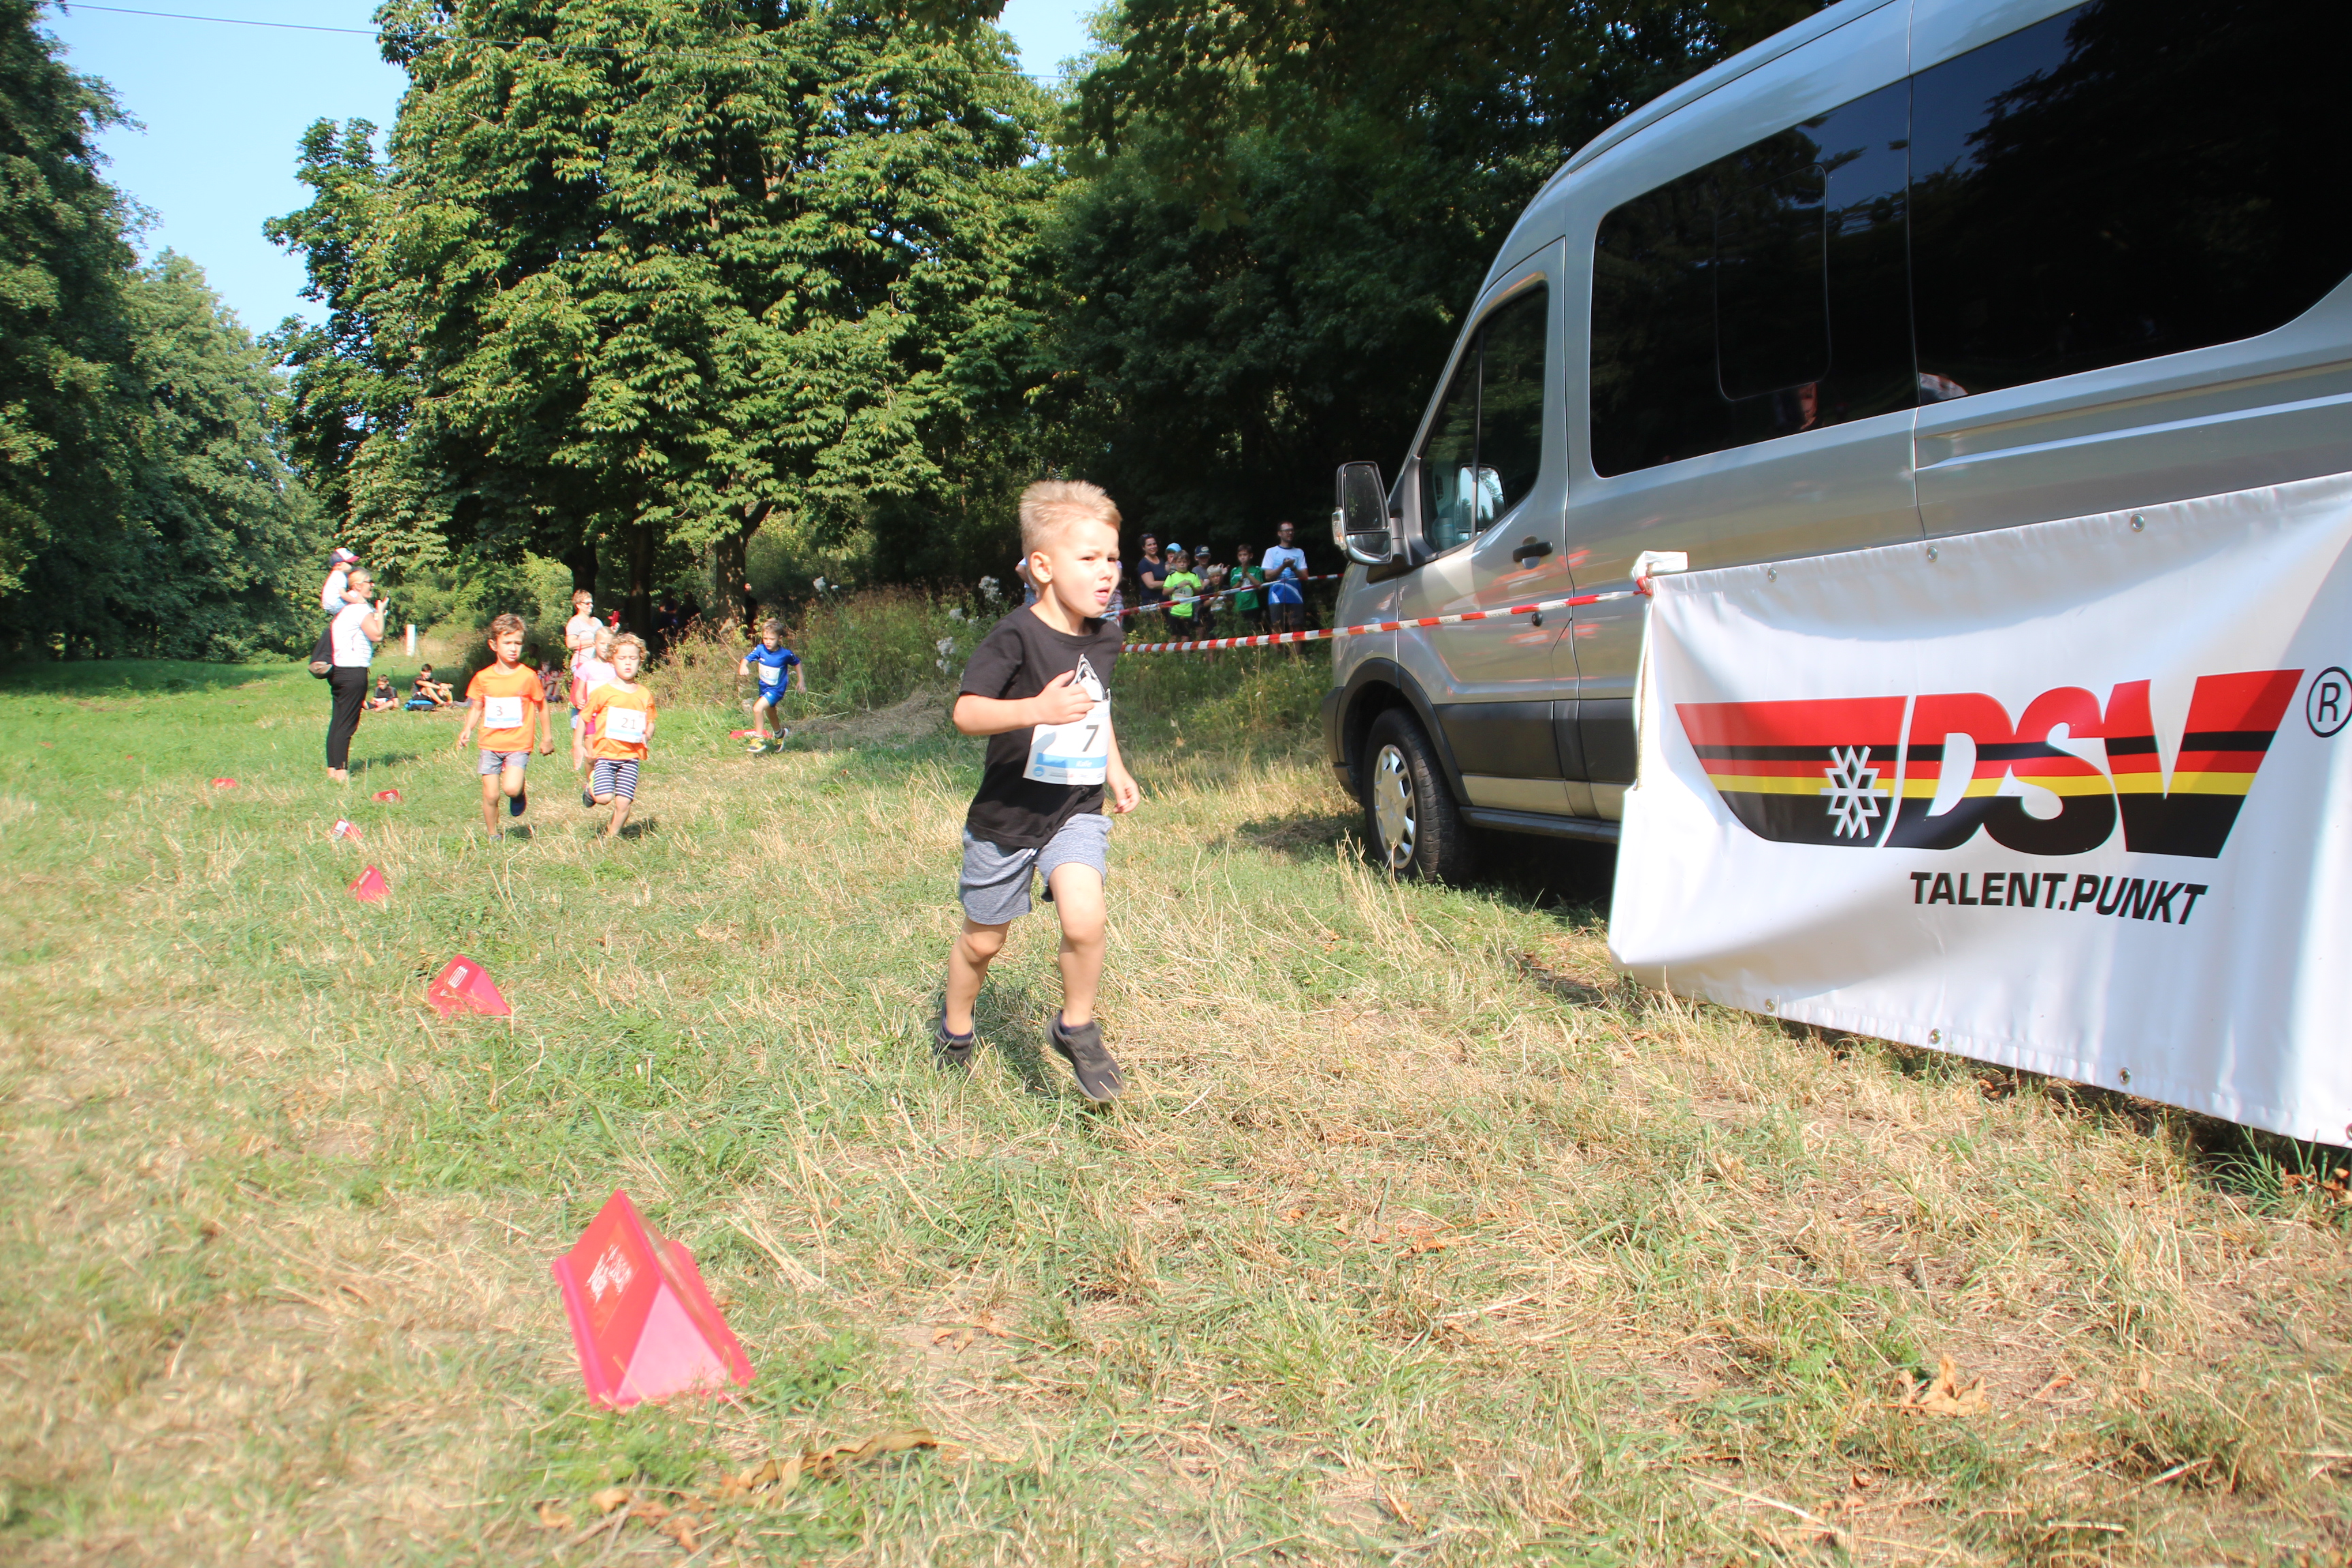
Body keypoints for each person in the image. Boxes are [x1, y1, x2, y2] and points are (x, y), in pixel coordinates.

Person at [938, 478, 1141, 1101]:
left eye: (1113, 558)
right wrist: (1037, 709)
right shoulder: (1015, 636)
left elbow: (1096, 706)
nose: (1107, 572)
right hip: (1007, 817)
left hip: (1074, 809)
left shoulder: (1106, 635)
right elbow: (966, 714)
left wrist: (1115, 768)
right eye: (1090, 558)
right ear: (1044, 567)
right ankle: (955, 1028)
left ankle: (1076, 1026)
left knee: (1086, 918)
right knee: (983, 942)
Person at [455, 612, 554, 831]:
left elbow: (542, 705)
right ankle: (493, 835)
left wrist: (547, 738)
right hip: (490, 744)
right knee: (491, 795)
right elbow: (477, 707)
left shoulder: (527, 676)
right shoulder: (483, 677)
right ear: (494, 645)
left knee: (510, 789)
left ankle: (518, 793)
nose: (513, 648)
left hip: (518, 744)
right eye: (507, 643)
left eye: (518, 643)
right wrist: (467, 729)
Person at [578, 632, 657, 838]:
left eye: (633, 658)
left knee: (624, 802)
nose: (628, 663)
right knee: (604, 798)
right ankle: (591, 787)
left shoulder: (644, 694)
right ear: (612, 661)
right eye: (622, 658)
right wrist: (578, 744)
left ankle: (610, 837)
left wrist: (647, 735)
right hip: (606, 755)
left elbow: (651, 722)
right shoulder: (602, 692)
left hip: (631, 757)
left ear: (640, 660)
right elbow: (584, 717)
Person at [323, 568, 385, 783]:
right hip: (354, 671)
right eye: (369, 581)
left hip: (339, 671)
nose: (372, 585)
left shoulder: (344, 611)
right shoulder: (360, 609)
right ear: (357, 586)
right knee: (348, 723)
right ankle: (342, 772)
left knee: (338, 720)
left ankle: (332, 769)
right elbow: (377, 635)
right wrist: (380, 612)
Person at [737, 619, 804, 751]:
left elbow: (797, 663)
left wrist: (801, 680)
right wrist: (743, 666)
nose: (768, 642)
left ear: (779, 639)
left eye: (772, 639)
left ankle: (758, 739)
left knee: (757, 708)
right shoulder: (760, 649)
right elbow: (746, 659)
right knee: (770, 712)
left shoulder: (785, 654)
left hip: (776, 690)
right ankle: (780, 734)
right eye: (765, 638)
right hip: (764, 688)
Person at [310, 547, 363, 676]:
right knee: (355, 595)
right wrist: (357, 601)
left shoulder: (335, 575)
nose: (352, 565)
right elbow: (343, 595)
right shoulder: (340, 575)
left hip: (330, 605)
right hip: (335, 604)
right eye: (349, 563)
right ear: (339, 565)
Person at [570, 627, 618, 768]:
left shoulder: (616, 667)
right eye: (602, 643)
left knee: (608, 751)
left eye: (609, 644)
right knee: (591, 754)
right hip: (591, 716)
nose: (605, 647)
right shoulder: (587, 667)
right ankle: (590, 780)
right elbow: (579, 690)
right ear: (594, 644)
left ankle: (606, 775)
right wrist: (579, 699)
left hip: (610, 716)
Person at [1264, 520, 1310, 644]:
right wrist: (1284, 566)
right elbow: (1268, 576)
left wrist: (1293, 567)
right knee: (1277, 626)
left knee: (1297, 627)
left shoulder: (1299, 552)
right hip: (1276, 594)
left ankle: (1298, 655)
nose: (1290, 533)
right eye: (1287, 531)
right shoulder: (1271, 552)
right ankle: (1276, 655)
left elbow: (1305, 576)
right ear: (1280, 533)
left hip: (1295, 593)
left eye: (1292, 530)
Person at [1160, 547, 1203, 639]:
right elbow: (1165, 592)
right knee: (1173, 637)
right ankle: (1170, 650)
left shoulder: (1193, 576)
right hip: (1174, 612)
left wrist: (1192, 586)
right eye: (1179, 562)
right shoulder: (1171, 576)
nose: (1182, 564)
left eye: (1184, 562)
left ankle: (1186, 650)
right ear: (1175, 563)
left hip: (1188, 613)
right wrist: (1176, 586)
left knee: (1186, 637)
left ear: (1188, 563)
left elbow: (1198, 593)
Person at [1230, 542, 1267, 638]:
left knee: (1254, 631)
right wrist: (1242, 578)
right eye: (1240, 555)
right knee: (1240, 632)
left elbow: (1260, 586)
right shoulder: (1235, 571)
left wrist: (1247, 573)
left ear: (1251, 556)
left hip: (1253, 605)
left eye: (1245, 555)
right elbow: (1233, 589)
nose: (1243, 557)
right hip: (1239, 606)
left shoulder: (1257, 569)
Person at [1134, 534, 1164, 623]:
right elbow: (1151, 584)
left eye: (1154, 544)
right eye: (1149, 545)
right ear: (1144, 548)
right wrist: (1171, 584)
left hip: (1165, 602)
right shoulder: (1144, 564)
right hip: (1151, 604)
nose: (1153, 547)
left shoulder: (1162, 560)